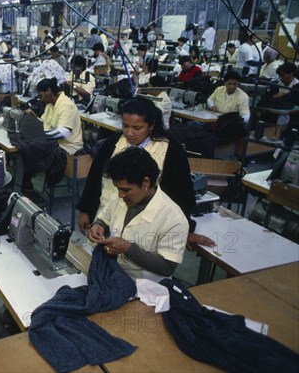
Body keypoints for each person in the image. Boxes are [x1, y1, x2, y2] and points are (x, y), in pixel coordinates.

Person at [77, 97, 214, 249]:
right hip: (106, 217)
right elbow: (94, 179)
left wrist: (183, 228)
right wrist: (86, 210)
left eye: (137, 128)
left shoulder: (170, 150)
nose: (129, 133)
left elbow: (181, 193)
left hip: (146, 226)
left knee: (135, 261)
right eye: (125, 126)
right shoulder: (113, 143)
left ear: (151, 125)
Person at [87, 147, 188, 282]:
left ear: (145, 183)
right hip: (113, 273)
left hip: (145, 286)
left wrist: (127, 248)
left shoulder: (174, 218)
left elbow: (167, 267)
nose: (120, 195)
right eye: (118, 189)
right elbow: (104, 218)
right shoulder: (121, 196)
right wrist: (98, 226)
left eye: (125, 190)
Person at [36, 77, 84, 155]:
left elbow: (63, 133)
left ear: (48, 91)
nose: (41, 99)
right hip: (56, 144)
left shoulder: (66, 105)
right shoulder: (50, 104)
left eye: (41, 96)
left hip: (69, 148)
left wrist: (40, 136)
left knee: (34, 153)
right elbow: (43, 122)